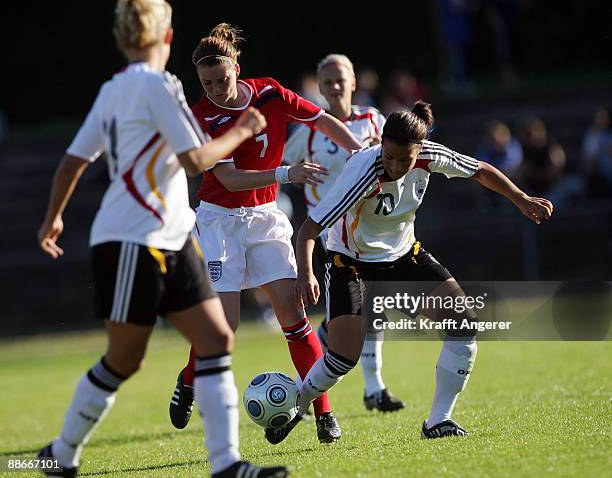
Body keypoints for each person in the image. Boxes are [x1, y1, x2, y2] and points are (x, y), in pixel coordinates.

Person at [35, 0, 287, 478]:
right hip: (134, 238)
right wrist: (242, 129)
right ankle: (59, 455)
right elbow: (196, 161)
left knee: (216, 337)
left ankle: (227, 465)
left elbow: (72, 162)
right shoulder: (159, 86)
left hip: (171, 238)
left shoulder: (112, 90)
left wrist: (53, 217)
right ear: (167, 37)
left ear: (121, 39)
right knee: (124, 359)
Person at [269, 101, 553, 444]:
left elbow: (479, 170)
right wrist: (306, 274)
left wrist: (520, 198)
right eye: (389, 156)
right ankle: (295, 405)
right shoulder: (363, 171)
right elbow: (309, 229)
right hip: (350, 262)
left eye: (404, 159)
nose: (396, 165)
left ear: (418, 151)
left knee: (464, 324)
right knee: (344, 356)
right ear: (381, 144)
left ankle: (439, 420)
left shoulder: (432, 156)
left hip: (404, 256)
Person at [168, 24, 363, 445]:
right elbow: (231, 179)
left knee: (294, 318)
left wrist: (361, 154)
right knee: (226, 327)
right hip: (220, 221)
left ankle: (324, 414)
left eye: (222, 78)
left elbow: (323, 120)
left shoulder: (270, 93)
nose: (216, 88)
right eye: (207, 83)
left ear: (237, 68)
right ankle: (188, 382)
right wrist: (285, 173)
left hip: (265, 217)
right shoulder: (200, 118)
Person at [284, 54, 404, 412]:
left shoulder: (374, 120)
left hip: (372, 227)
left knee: (364, 311)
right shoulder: (307, 131)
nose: (335, 87)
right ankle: (371, 388)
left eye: (341, 80)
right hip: (331, 233)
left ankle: (365, 387)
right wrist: (292, 173)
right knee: (364, 310)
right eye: (327, 82)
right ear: (319, 88)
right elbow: (280, 164)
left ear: (354, 82)